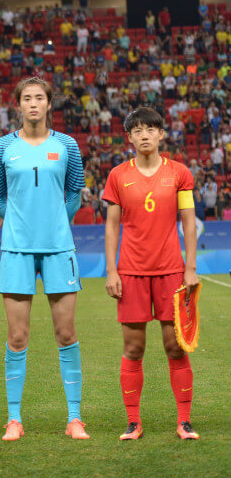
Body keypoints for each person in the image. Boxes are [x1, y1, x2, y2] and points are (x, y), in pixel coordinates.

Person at [0, 77, 88, 441]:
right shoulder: (1, 147)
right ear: (18, 105)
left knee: (66, 333)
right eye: (26, 98)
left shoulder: (67, 145)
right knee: (17, 336)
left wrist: (57, 222)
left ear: (49, 104)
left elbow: (74, 191)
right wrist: (18, 223)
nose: (33, 104)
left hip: (60, 248)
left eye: (39, 98)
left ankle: (74, 418)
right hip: (16, 249)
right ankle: (14, 419)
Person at [102, 107, 200, 441]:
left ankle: (184, 421)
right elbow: (112, 225)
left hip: (171, 271)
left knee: (175, 347)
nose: (144, 135)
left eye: (150, 129)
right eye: (137, 130)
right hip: (131, 272)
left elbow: (188, 220)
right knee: (133, 348)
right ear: (129, 137)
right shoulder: (117, 176)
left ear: (161, 134)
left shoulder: (180, 173)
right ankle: (133, 423)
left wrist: (190, 267)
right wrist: (111, 270)